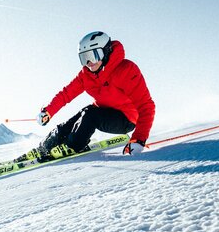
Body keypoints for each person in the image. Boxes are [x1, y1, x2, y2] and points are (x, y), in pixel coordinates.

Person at [19, 31, 155, 161]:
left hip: (126, 119)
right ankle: (46, 146)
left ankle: (73, 145)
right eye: (85, 58)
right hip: (102, 112)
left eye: (93, 55)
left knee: (90, 114)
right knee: (79, 116)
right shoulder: (86, 75)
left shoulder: (126, 70)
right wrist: (48, 111)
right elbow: (66, 94)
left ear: (106, 52)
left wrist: (138, 139)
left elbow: (146, 105)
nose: (89, 63)